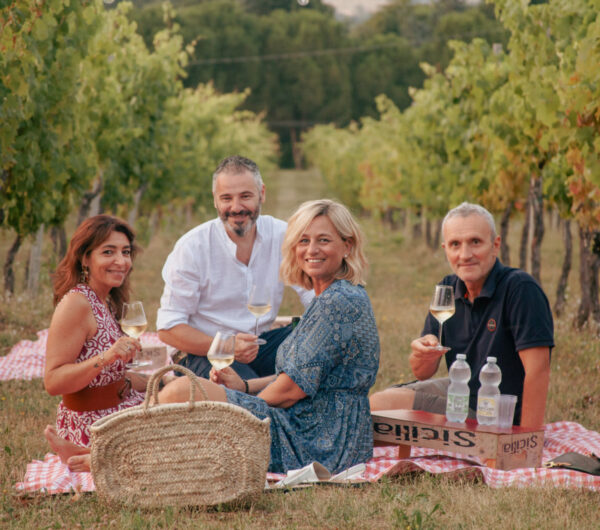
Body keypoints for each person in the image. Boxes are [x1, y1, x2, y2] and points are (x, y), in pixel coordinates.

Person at [160, 199, 380, 474]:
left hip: (316, 439)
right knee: (186, 395)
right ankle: (134, 448)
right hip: (327, 431)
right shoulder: (337, 295)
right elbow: (302, 377)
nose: (311, 250)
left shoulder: (337, 302)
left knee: (183, 391)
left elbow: (290, 390)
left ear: (347, 246)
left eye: (323, 240)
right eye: (303, 241)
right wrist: (243, 388)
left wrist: (242, 408)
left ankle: (129, 449)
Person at [370, 202, 554, 428]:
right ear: (445, 249)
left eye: (475, 242)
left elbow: (538, 370)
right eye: (455, 244)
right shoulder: (447, 289)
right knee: (376, 403)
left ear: (495, 245)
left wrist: (528, 440)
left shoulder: (519, 289)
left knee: (381, 409)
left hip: (494, 411)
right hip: (462, 391)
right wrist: (422, 353)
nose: (465, 254)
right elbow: (422, 373)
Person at [157, 155, 314, 380]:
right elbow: (168, 328)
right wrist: (227, 346)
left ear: (262, 194)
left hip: (258, 345)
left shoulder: (283, 236)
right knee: (247, 394)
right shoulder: (192, 247)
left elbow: (315, 295)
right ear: (215, 200)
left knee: (318, 344)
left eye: (245, 196)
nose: (236, 207)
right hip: (204, 353)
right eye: (226, 198)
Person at [43, 215, 147, 471]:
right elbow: (53, 381)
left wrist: (155, 380)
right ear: (85, 258)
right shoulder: (77, 303)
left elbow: (111, 375)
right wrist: (106, 357)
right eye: (108, 252)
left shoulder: (107, 299)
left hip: (119, 403)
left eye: (126, 252)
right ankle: (98, 456)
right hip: (93, 419)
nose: (121, 261)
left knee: (179, 397)